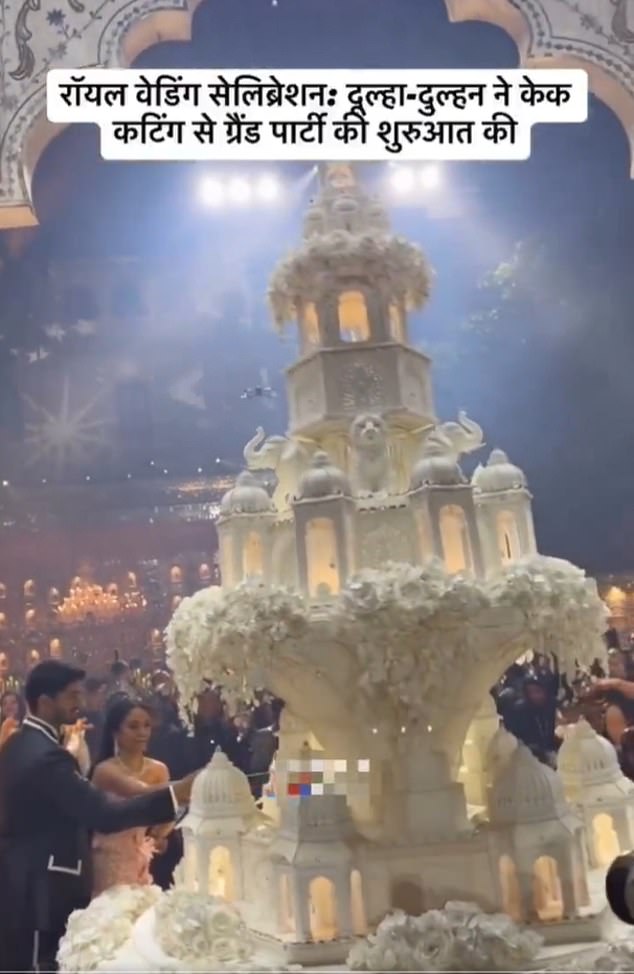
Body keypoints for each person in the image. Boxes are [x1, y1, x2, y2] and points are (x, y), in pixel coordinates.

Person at [0, 660, 197, 973]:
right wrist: (178, 794)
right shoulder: (44, 754)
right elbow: (101, 812)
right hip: (40, 885)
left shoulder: (24, 744)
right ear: (44, 701)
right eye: (72, 696)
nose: (80, 704)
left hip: (27, 878)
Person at [91, 698, 172, 895]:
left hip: (140, 857)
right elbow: (142, 793)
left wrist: (159, 836)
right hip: (109, 858)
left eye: (146, 726)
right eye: (133, 727)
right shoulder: (105, 770)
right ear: (115, 732)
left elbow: (170, 810)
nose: (142, 733)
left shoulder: (159, 769)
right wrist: (191, 784)